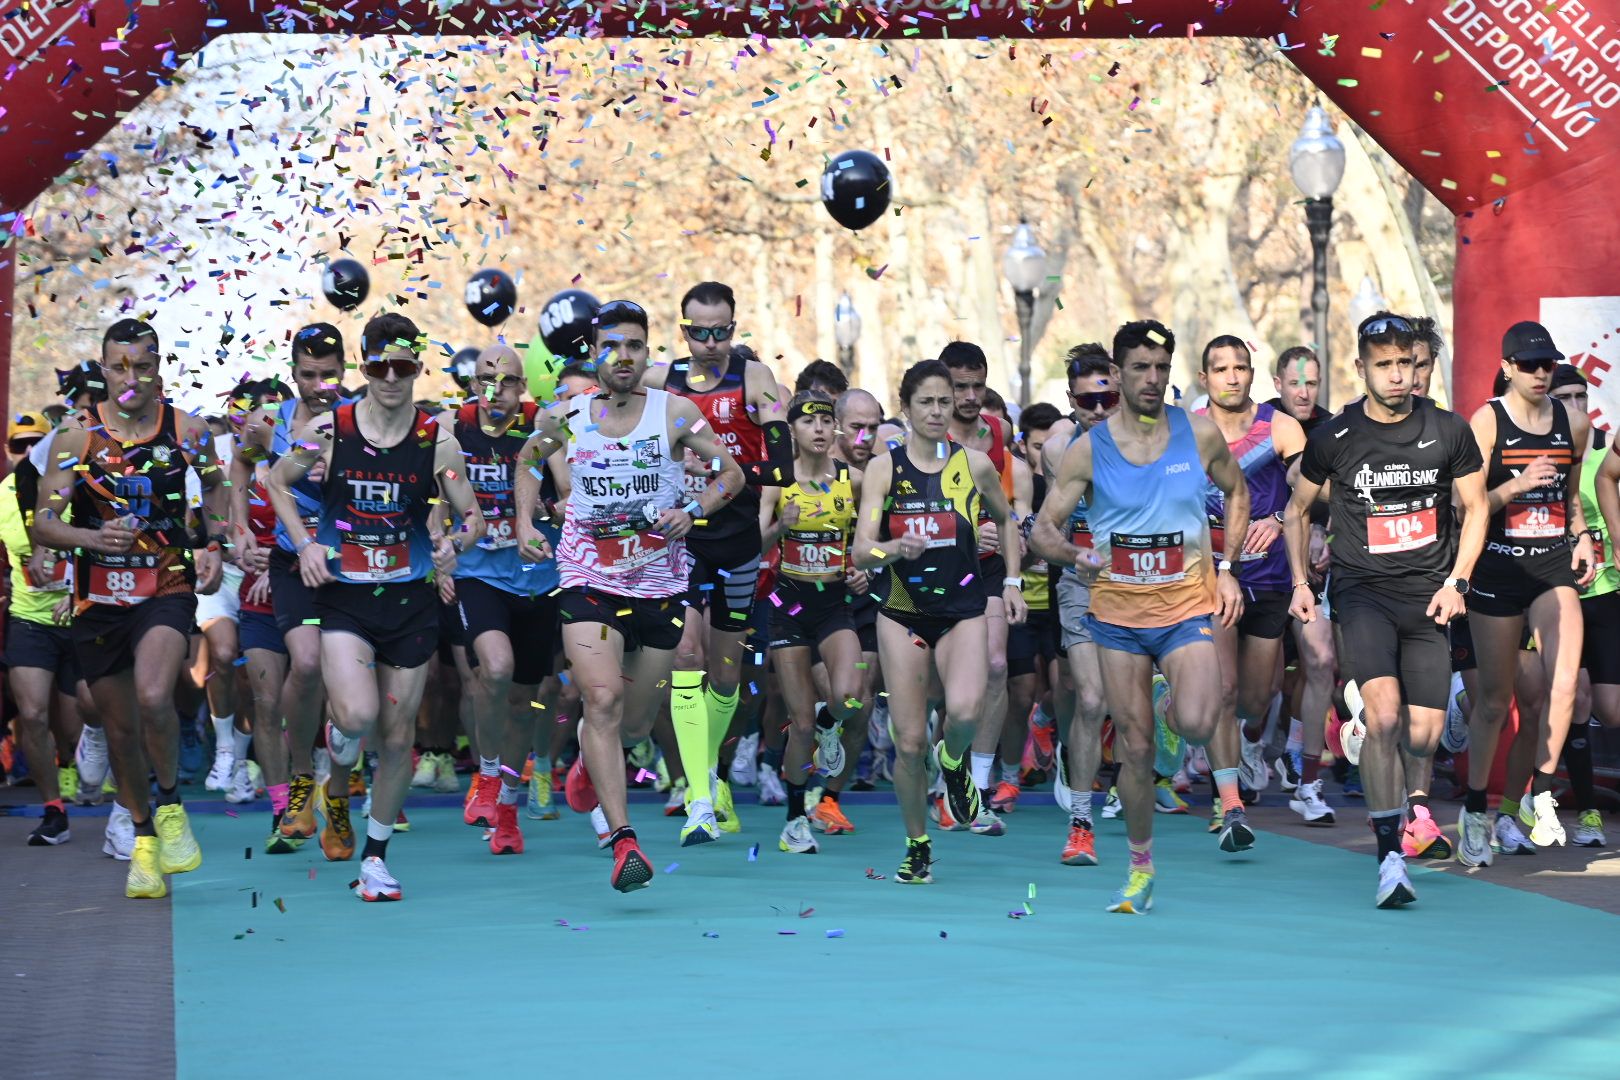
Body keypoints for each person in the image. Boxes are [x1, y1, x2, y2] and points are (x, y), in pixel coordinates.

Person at [517, 298, 744, 889]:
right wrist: (523, 525)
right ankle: (624, 843)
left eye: (634, 346)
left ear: (648, 353)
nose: (622, 356)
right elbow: (526, 461)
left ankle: (595, 770)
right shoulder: (568, 414)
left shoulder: (676, 413)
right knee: (602, 701)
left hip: (659, 585)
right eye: (612, 346)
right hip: (588, 579)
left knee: (637, 724)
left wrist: (692, 510)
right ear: (593, 353)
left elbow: (732, 474)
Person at [1033, 320, 1248, 915]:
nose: (1152, 379)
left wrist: (1227, 567)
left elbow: (1236, 492)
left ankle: (1168, 702)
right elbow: (1043, 528)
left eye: (1161, 367)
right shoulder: (1088, 450)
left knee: (1202, 721)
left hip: (1185, 607)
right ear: (1119, 374)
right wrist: (1076, 555)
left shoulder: (1199, 434)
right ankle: (1139, 867)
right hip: (1119, 616)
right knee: (1133, 746)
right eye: (1139, 368)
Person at [268, 313, 484, 901]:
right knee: (359, 717)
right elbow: (275, 480)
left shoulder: (436, 439)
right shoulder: (331, 428)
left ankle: (375, 859)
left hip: (411, 600)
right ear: (365, 366)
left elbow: (473, 518)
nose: (391, 377)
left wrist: (452, 546)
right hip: (346, 597)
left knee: (395, 738)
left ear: (418, 367)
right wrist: (307, 542)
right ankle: (335, 776)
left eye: (404, 366)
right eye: (380, 366)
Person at [1284, 313, 1487, 909]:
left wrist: (1458, 582)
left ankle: (1364, 734)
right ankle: (1389, 858)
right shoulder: (1335, 437)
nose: (1397, 376)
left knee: (1422, 738)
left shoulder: (1448, 430)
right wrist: (1301, 580)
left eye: (1405, 363)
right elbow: (1297, 510)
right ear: (1362, 368)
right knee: (1387, 717)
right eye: (1384, 365)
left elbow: (1475, 509)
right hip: (1362, 592)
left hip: (1428, 594)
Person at [32, 318, 227, 898]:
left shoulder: (187, 430)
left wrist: (213, 542)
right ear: (104, 369)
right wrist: (92, 541)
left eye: (143, 367)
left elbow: (217, 487)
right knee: (119, 728)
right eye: (119, 367)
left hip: (165, 585)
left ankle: (170, 804)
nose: (131, 380)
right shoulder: (76, 438)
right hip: (98, 595)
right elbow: (44, 522)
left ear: (159, 367)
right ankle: (143, 838)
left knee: (151, 695)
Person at [853, 358, 1026, 884]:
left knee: (968, 710)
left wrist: (1013, 581)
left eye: (943, 402)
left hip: (963, 608)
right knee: (907, 744)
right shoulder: (885, 468)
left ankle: (953, 763)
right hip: (902, 611)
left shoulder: (974, 464)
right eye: (924, 402)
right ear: (905, 409)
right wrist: (891, 548)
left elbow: (1007, 519)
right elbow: (861, 553)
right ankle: (917, 843)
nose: (935, 411)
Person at [642, 283, 793, 842]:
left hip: (737, 539)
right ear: (683, 331)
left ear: (735, 328)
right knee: (686, 654)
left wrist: (722, 474)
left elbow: (781, 468)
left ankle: (707, 772)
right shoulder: (662, 381)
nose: (710, 342)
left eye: (721, 331)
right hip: (680, 539)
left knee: (727, 676)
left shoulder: (755, 379)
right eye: (699, 332)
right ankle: (699, 797)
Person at [1456, 321, 1594, 862]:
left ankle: (1531, 797)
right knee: (1495, 703)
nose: (1542, 374)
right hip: (1497, 570)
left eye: (1549, 365)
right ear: (1508, 367)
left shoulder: (1574, 424)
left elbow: (1573, 491)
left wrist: (1581, 534)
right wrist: (1514, 484)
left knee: (1564, 689)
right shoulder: (1487, 422)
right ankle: (1474, 813)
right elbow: (1466, 508)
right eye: (1531, 365)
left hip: (1553, 566)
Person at [231, 323, 350, 847]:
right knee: (303, 664)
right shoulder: (267, 422)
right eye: (308, 375)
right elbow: (240, 464)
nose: (320, 385)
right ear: (293, 371)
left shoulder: (361, 422)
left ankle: (340, 793)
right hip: (289, 559)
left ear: (344, 371)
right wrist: (238, 528)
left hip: (354, 563)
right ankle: (302, 776)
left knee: (350, 697)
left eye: (329, 375)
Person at [445, 345, 562, 857]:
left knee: (524, 700)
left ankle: (509, 807)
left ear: (522, 387)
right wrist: (440, 550)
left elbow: (571, 487)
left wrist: (546, 509)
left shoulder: (545, 425)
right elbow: (433, 494)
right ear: (473, 385)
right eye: (486, 380)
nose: (496, 391)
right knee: (494, 668)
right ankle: (488, 772)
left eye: (508, 381)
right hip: (479, 573)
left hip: (539, 576)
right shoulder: (451, 427)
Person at [1195, 337, 1315, 827]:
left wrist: (1285, 521)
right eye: (1220, 369)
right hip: (1211, 574)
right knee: (1223, 690)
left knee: (1255, 699)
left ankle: (1246, 746)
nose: (1231, 376)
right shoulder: (1188, 431)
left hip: (1269, 573)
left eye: (1240, 368)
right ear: (1205, 378)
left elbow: (1309, 492)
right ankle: (1229, 802)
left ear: (1251, 374)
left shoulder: (1280, 426)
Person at [760, 390, 865, 854]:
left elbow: (872, 539)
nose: (820, 429)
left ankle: (831, 723)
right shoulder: (776, 482)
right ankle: (794, 820)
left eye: (827, 422)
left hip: (835, 605)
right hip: (789, 607)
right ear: (793, 431)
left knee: (850, 697)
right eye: (809, 422)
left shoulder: (854, 479)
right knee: (798, 724)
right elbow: (754, 543)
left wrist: (866, 566)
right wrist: (781, 526)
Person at [1039, 344, 1121, 865]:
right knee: (1090, 700)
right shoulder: (1060, 448)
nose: (1097, 409)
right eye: (1086, 402)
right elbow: (1046, 532)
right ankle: (1081, 824)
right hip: (1082, 582)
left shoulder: (1152, 443)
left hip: (1144, 585)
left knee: (1149, 711)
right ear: (1071, 401)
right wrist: (1076, 554)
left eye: (1106, 399)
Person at [939, 341, 1023, 831]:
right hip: (933, 571)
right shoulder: (924, 434)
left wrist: (1013, 574)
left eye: (978, 385)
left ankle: (977, 787)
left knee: (995, 665)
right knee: (943, 688)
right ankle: (943, 774)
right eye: (959, 386)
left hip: (987, 569)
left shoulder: (997, 432)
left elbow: (1007, 508)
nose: (970, 396)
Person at [2, 412, 96, 846]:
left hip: (79, 614)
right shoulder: (3, 495)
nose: (27, 453)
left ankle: (94, 767)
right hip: (29, 618)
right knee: (33, 714)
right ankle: (53, 810)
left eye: (35, 444)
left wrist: (74, 590)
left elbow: (94, 544)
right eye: (19, 446)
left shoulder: (73, 483)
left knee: (84, 717)